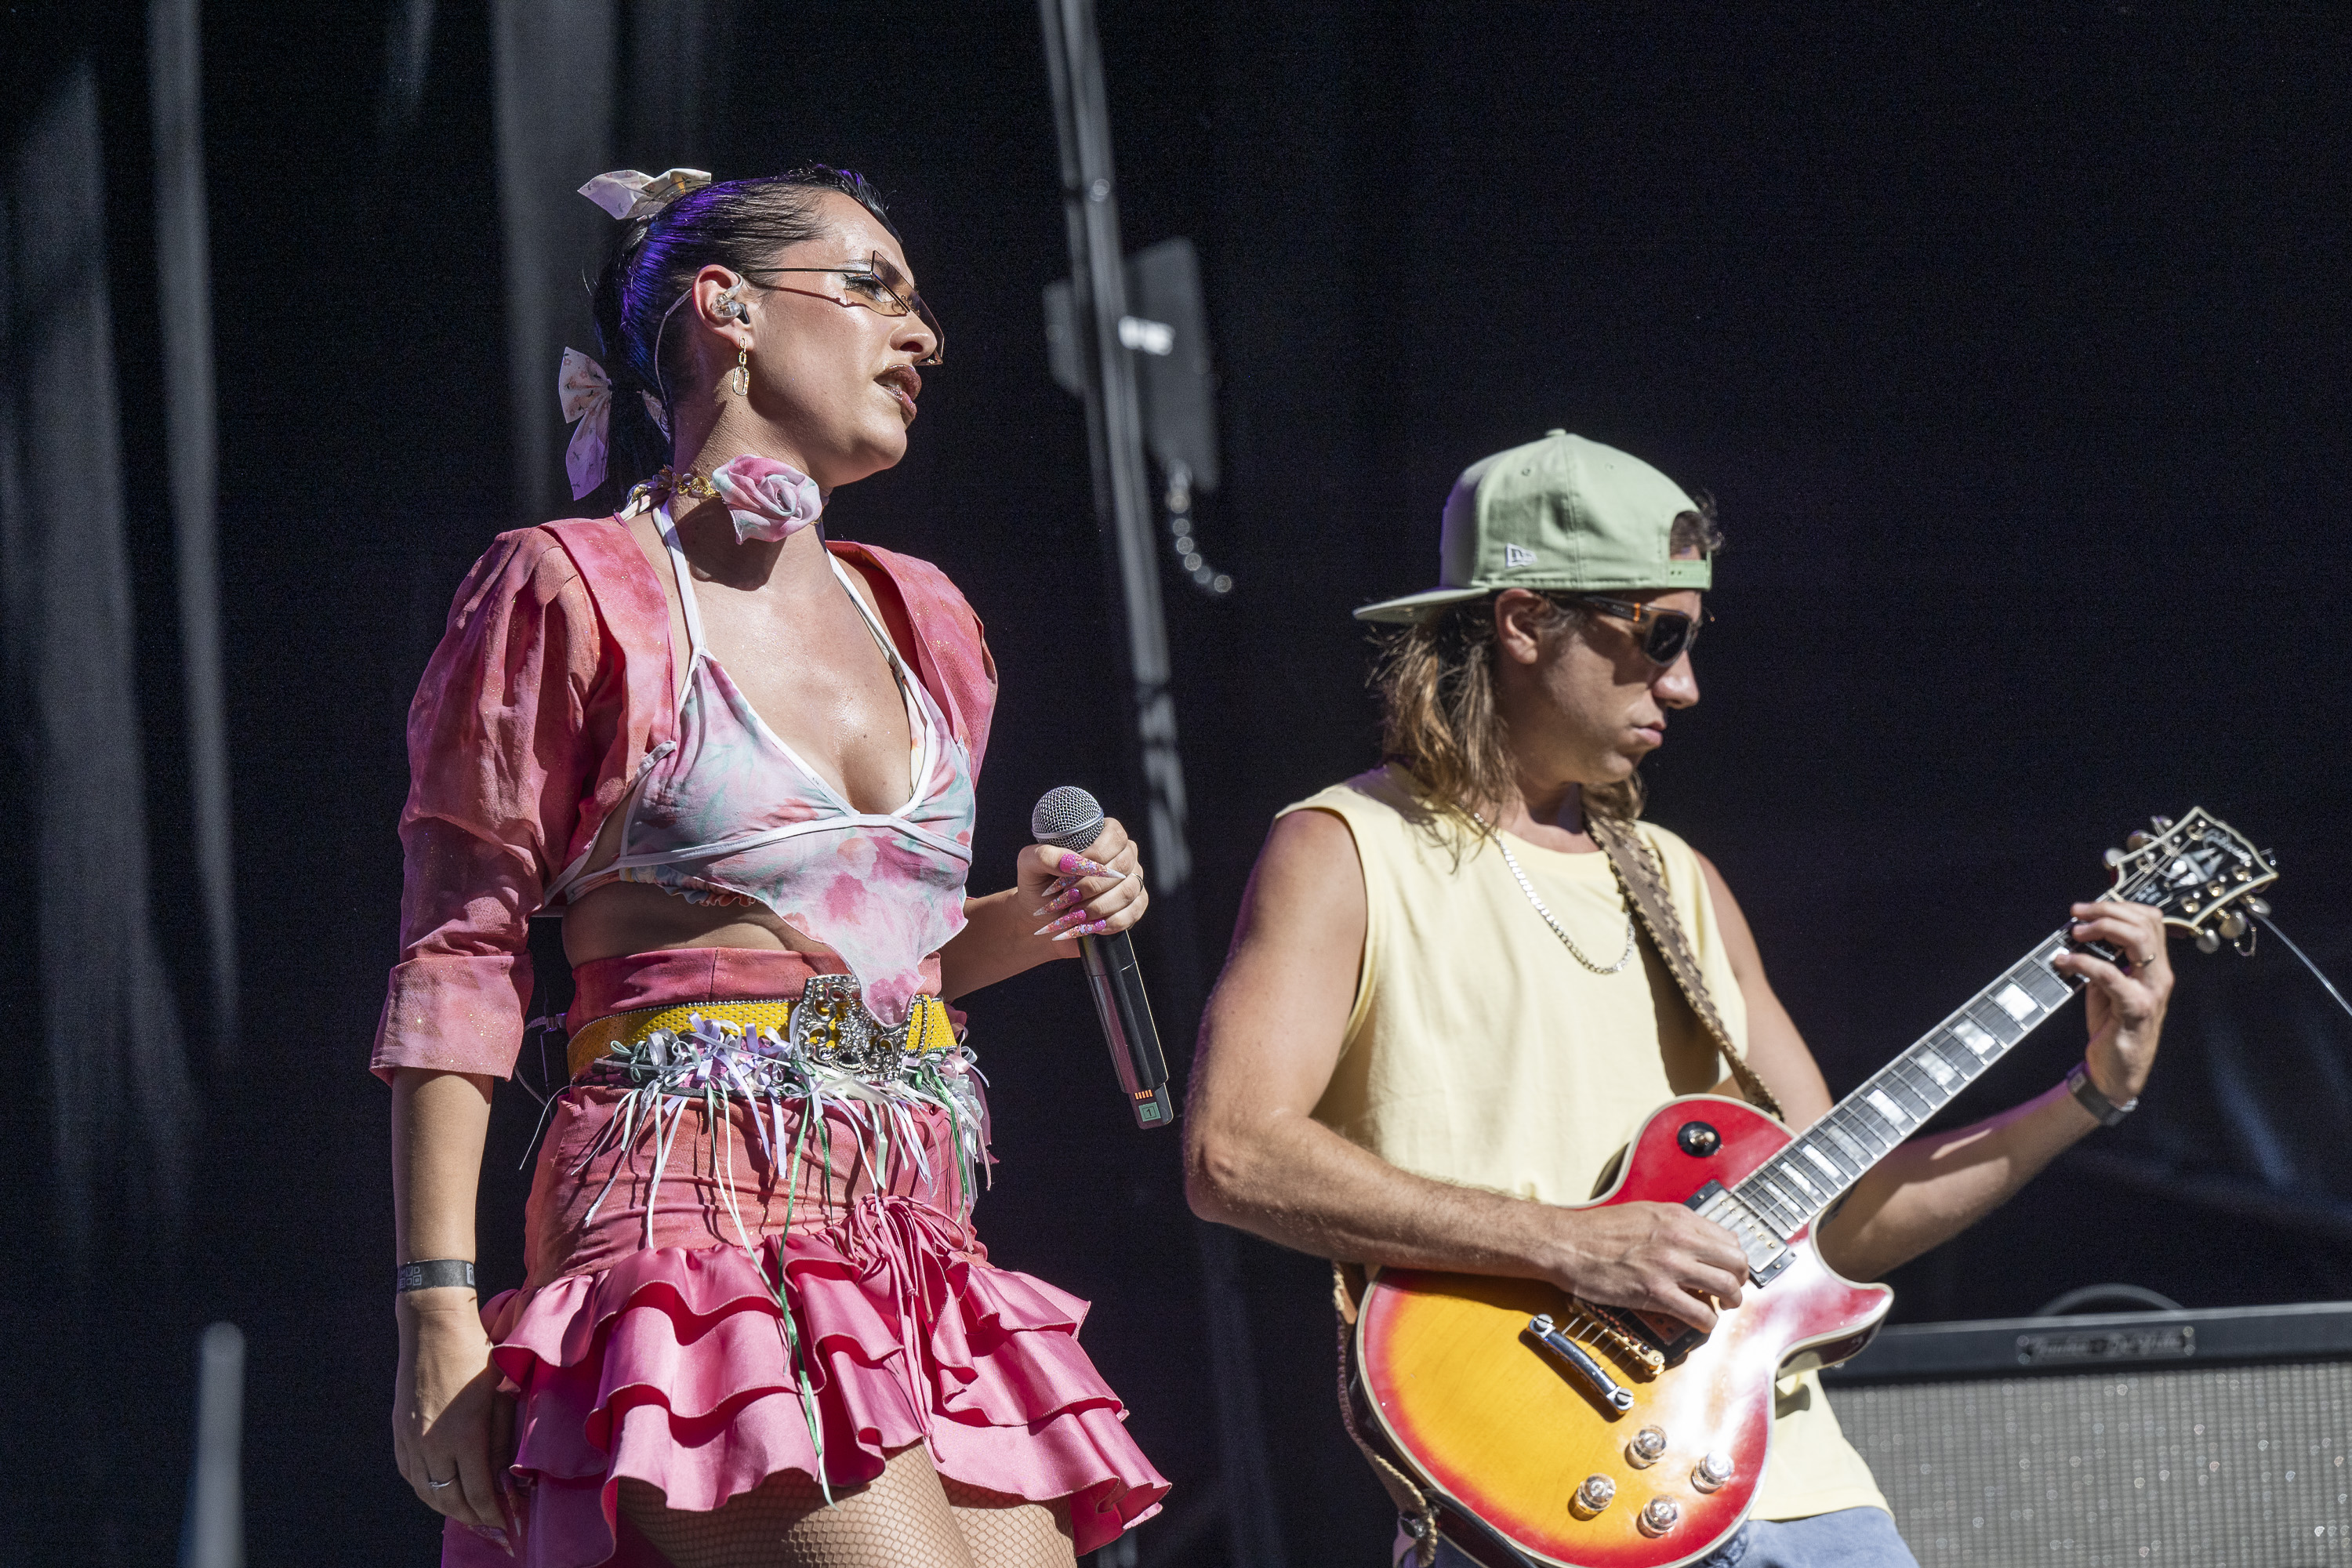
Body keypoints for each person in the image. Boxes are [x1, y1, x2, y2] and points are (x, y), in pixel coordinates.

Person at [1183, 431, 2173, 1567]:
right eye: (1659, 639)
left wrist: (2087, 1095)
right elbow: (1233, 1156)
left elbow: (1838, 1217)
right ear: (1524, 622)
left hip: (1793, 1484)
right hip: (1538, 1485)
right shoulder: (1347, 849)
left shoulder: (1680, 880)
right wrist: (1571, 1245)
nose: (1687, 686)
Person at [378, 165, 1167, 1568]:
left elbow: (884, 954)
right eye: (875, 286)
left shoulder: (922, 615)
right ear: (726, 311)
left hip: (913, 1220)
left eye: (920, 303)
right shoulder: (574, 586)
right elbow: (463, 951)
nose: (922, 336)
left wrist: (1031, 920)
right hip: (689, 1212)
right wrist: (438, 1302)